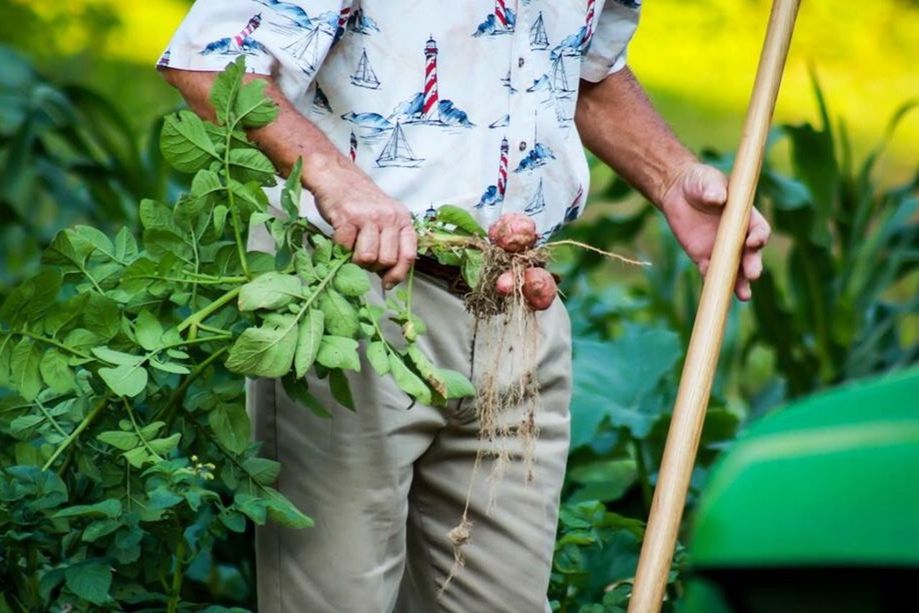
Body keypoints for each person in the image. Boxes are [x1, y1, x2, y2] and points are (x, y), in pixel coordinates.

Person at [159, 1, 770, 611]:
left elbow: (578, 60)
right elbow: (213, 61)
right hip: (350, 296)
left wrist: (670, 179)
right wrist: (332, 176)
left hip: (518, 303)